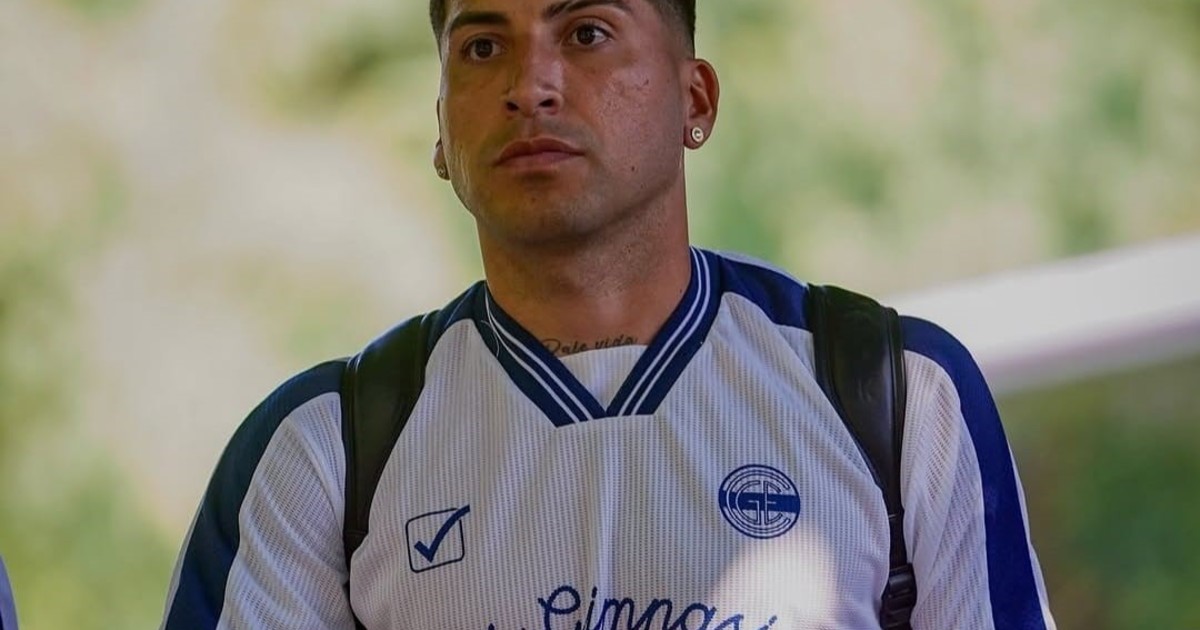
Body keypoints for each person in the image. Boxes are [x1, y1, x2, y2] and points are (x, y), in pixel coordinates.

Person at [160, 0, 1056, 627]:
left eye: (586, 33)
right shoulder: (323, 448)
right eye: (483, 48)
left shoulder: (896, 393)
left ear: (695, 99)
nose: (531, 85)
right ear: (439, 128)